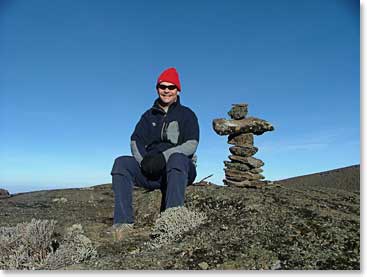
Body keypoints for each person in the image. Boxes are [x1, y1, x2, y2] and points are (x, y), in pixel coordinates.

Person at [110, 67, 199, 239]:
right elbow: (135, 140)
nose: (166, 90)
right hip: (151, 171)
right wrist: (144, 162)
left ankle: (172, 222)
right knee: (121, 162)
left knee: (177, 158)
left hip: (178, 170)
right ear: (157, 88)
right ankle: (123, 223)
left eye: (171, 87)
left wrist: (163, 158)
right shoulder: (147, 116)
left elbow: (191, 144)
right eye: (162, 86)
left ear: (178, 90)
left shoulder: (187, 114)